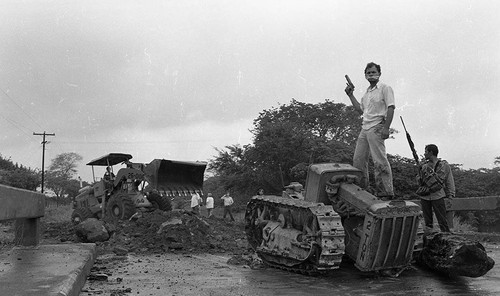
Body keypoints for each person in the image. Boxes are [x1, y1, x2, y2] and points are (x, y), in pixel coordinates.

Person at [345, 62, 395, 200]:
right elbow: (360, 110)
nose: (371, 74)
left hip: (378, 126)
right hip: (365, 127)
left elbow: (391, 107)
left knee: (379, 160)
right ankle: (362, 192)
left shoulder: (385, 88)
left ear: (379, 73)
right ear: (365, 75)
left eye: (373, 72)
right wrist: (350, 95)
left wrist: (386, 128)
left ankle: (386, 193)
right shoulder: (367, 94)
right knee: (358, 160)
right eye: (368, 73)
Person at [417, 144, 455, 233]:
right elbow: (419, 181)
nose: (424, 154)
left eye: (426, 151)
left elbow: (449, 181)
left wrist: (450, 195)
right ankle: (429, 240)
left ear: (431, 152)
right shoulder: (424, 166)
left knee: (442, 220)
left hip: (438, 195)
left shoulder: (444, 165)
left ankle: (446, 238)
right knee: (428, 222)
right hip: (425, 195)